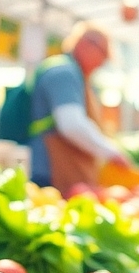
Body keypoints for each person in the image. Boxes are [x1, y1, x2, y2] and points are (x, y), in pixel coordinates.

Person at [28, 21, 128, 191]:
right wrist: (110, 151)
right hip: (48, 171)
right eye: (103, 54)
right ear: (85, 45)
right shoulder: (65, 73)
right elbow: (71, 125)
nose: (102, 63)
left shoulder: (73, 73)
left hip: (50, 169)